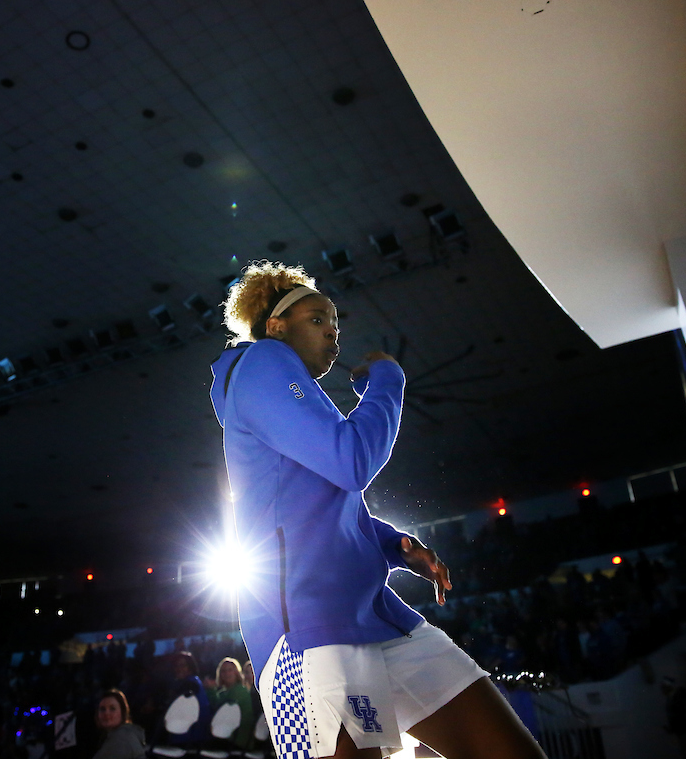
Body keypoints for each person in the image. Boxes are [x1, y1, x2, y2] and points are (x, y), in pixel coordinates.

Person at [209, 261, 544, 759]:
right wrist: (388, 380)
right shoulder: (261, 362)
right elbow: (353, 461)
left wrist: (394, 545)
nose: (333, 334)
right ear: (276, 325)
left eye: (337, 325)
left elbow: (320, 504)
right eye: (318, 319)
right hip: (309, 626)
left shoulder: (293, 391)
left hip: (378, 615)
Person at [205, 657, 256, 749]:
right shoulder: (223, 692)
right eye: (223, 671)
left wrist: (211, 690)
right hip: (225, 736)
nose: (226, 673)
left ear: (236, 672)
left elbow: (220, 709)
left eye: (230, 670)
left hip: (238, 740)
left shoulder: (240, 690)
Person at [94, 690, 147, 759]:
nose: (106, 713)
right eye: (102, 709)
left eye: (112, 709)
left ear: (122, 712)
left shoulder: (122, 739)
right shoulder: (116, 735)